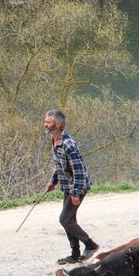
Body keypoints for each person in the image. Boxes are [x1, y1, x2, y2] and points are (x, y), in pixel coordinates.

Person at [43, 109, 99, 264]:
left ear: (58, 124)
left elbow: (79, 170)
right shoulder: (55, 140)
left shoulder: (68, 144)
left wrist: (76, 193)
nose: (45, 125)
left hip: (78, 185)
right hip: (68, 185)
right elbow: (60, 165)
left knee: (65, 219)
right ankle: (75, 255)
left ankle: (91, 245)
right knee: (70, 219)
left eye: (48, 122)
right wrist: (53, 181)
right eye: (45, 121)